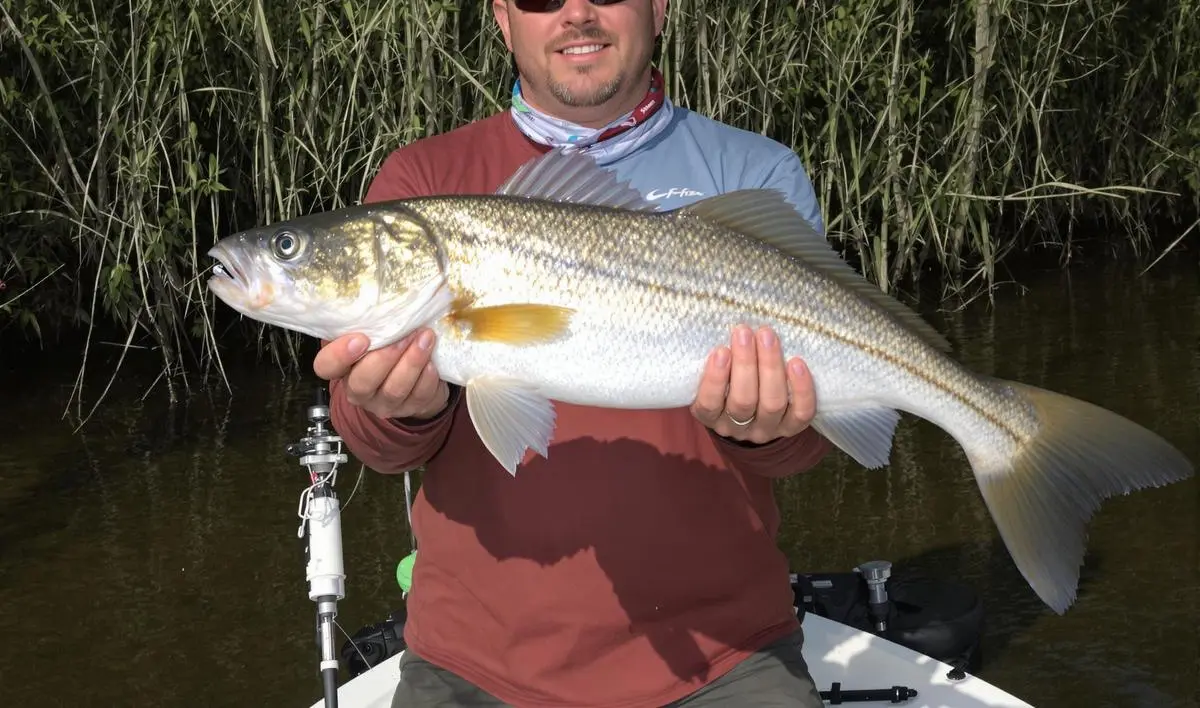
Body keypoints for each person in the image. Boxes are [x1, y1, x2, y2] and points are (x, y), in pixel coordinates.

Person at [314, 1, 833, 705]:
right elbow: (376, 444)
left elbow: (806, 443)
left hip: (727, 655)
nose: (577, 13)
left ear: (659, 8)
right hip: (473, 662)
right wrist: (403, 411)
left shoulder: (754, 172)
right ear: (503, 19)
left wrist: (768, 428)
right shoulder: (423, 180)